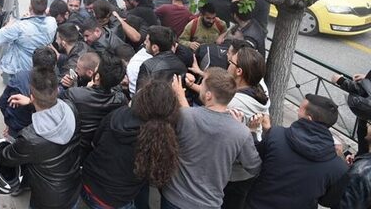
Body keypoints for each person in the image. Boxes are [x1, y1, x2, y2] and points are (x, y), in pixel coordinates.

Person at [0, 67, 82, 209]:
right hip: (72, 190)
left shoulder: (30, 138)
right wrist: (32, 104)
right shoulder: (71, 108)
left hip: (47, 201)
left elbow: (3, 156)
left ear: (31, 95)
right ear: (56, 91)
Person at [163, 68, 262, 209]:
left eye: (202, 83)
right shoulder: (241, 132)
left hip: (174, 197)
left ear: (209, 96)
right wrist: (245, 131)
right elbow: (254, 167)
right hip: (209, 203)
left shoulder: (184, 116)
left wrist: (179, 96)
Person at [81, 80, 180, 209]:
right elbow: (155, 175)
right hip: (115, 200)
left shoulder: (118, 113)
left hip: (87, 183)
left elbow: (95, 142)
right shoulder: (163, 139)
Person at [244, 94, 348, 209]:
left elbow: (254, 163)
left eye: (300, 109)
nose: (298, 111)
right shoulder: (338, 167)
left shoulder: (276, 135)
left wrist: (252, 133)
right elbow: (327, 201)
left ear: (309, 119)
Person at [222, 47, 269, 209]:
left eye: (230, 62)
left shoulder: (233, 104)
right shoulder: (259, 92)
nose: (227, 65)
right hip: (245, 173)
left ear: (239, 71)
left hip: (232, 175)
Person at [63, 55, 128, 159]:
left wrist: (83, 89)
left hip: (77, 150)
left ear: (97, 76)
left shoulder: (74, 94)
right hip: (102, 151)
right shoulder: (121, 100)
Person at [0, 0, 57, 83]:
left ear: (30, 7)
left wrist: (9, 25)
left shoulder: (19, 27)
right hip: (40, 68)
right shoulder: (52, 22)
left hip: (20, 70)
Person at [0, 47, 57, 137]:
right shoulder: (58, 84)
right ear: (54, 66)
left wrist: (10, 124)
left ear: (33, 62)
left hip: (19, 131)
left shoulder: (20, 77)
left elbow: (3, 103)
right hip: (46, 133)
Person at [332, 69, 371, 154]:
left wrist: (341, 81)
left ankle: (360, 160)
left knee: (364, 143)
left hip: (366, 118)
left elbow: (365, 93)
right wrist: (367, 79)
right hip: (365, 120)